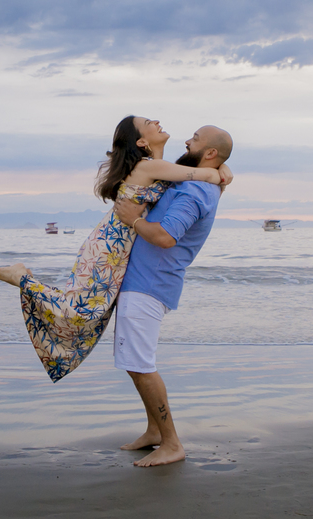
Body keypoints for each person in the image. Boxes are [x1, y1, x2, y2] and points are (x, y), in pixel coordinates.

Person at [0, 116, 232, 382]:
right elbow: (204, 174)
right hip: (110, 244)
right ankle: (22, 278)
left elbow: (187, 173)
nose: (157, 120)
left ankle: (28, 286)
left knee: (91, 308)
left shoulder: (159, 167)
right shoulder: (148, 167)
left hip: (118, 247)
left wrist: (222, 165)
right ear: (141, 142)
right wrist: (219, 171)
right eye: (148, 122)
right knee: (82, 310)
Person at [110, 124, 232, 467]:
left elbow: (166, 237)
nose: (187, 141)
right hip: (145, 282)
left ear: (209, 153)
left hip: (149, 285)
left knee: (140, 366)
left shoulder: (195, 191)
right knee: (135, 364)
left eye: (195, 139)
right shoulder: (197, 182)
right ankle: (154, 431)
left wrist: (134, 221)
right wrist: (222, 170)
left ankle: (171, 443)